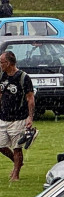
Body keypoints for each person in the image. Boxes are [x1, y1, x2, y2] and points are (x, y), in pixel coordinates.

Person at [0, 51, 35, 182]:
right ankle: (17, 162)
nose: (0, 65)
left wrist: (30, 117)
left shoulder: (23, 78)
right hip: (3, 117)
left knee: (17, 147)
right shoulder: (1, 76)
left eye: (1, 62)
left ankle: (16, 174)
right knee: (1, 146)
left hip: (18, 118)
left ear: (8, 63)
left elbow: (30, 98)